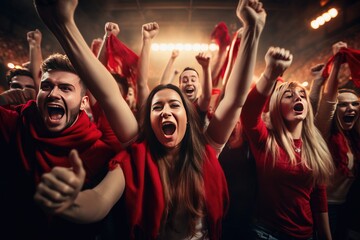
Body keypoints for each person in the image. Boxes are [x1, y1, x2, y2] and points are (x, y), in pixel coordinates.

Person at [33, 0, 266, 239]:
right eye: (157, 107)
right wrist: (71, 202)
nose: (165, 111)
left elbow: (235, 99)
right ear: (148, 119)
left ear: (187, 117)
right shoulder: (135, 155)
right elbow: (99, 199)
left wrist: (253, 31)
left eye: (175, 105)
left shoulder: (206, 148)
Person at [0, 53, 118, 239]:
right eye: (46, 86)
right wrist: (4, 99)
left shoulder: (99, 147)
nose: (53, 94)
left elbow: (109, 96)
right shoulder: (19, 122)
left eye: (65, 88)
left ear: (84, 102)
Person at [241, 46, 334, 240]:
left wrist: (326, 236)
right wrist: (270, 73)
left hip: (307, 235)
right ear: (276, 107)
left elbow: (318, 196)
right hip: (266, 233)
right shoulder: (265, 140)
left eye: (301, 95)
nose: (298, 97)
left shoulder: (315, 146)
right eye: (289, 95)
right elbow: (248, 113)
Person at [315, 41, 360, 240]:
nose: (351, 108)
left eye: (356, 104)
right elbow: (328, 102)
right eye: (344, 105)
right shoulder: (323, 132)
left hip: (350, 207)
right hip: (324, 208)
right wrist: (336, 66)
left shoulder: (355, 138)